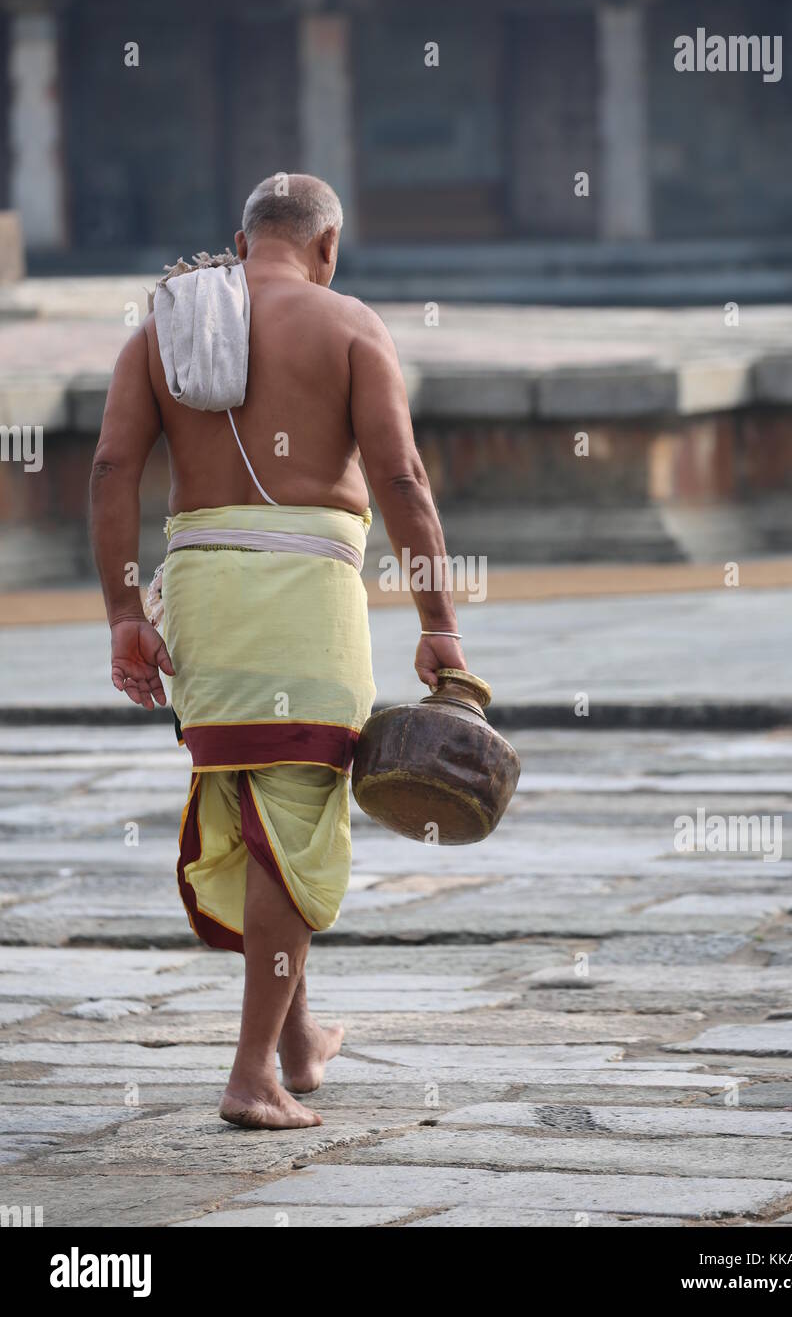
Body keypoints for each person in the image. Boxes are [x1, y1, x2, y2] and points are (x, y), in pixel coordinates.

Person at [89, 173, 466, 1129]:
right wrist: (439, 623)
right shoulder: (348, 324)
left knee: (263, 809)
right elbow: (403, 479)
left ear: (243, 236)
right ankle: (251, 1074)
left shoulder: (166, 327)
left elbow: (109, 470)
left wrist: (123, 614)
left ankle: (297, 1043)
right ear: (326, 245)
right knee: (295, 819)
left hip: (203, 600)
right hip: (305, 604)